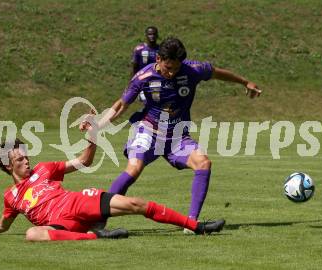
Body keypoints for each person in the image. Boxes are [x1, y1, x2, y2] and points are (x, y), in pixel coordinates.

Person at [82, 37, 261, 233]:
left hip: (177, 137)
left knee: (204, 163)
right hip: (148, 131)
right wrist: (98, 125)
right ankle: (99, 221)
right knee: (134, 169)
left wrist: (246, 82)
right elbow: (121, 105)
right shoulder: (143, 77)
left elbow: (218, 73)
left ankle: (191, 224)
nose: (172, 73)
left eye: (176, 68)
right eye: (168, 68)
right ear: (158, 58)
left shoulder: (193, 69)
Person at [0, 119, 225, 241]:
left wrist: (91, 135)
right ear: (8, 165)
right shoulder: (11, 197)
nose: (27, 160)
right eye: (20, 159)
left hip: (78, 203)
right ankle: (93, 236)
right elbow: (3, 225)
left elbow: (83, 161)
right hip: (59, 224)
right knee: (32, 234)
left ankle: (196, 226)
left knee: (135, 203)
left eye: (25, 155)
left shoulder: (45, 168)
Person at [131, 26, 160, 102]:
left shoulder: (161, 49)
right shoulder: (139, 49)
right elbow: (135, 66)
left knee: (156, 101)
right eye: (150, 34)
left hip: (156, 81)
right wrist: (133, 82)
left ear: (157, 35)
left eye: (154, 34)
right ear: (146, 35)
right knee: (145, 101)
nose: (152, 36)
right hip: (143, 81)